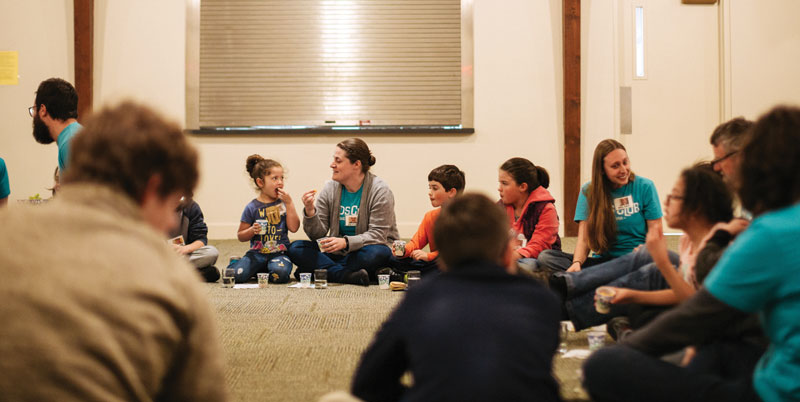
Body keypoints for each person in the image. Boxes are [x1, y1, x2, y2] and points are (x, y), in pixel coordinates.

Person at [0, 100, 226, 401]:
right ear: (151, 187)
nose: (173, 219)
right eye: (170, 201)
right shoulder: (169, 281)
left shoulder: (8, 232)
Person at [582, 105, 800, 402]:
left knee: (603, 365)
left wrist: (626, 351)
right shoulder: (752, 230)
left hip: (776, 389)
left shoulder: (767, 233)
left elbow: (697, 315)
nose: (718, 168)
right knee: (711, 347)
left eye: (720, 160)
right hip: (755, 351)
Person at [351, 193, 561, 402]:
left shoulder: (421, 298)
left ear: (441, 260)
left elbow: (368, 383)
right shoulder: (542, 298)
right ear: (508, 252)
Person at [554, 164, 732, 331]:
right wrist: (630, 294)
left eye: (675, 197)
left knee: (646, 270)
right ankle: (565, 288)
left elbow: (696, 304)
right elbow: (583, 239)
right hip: (610, 262)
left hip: (700, 328)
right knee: (550, 257)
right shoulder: (686, 240)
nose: (667, 202)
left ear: (697, 206)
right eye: (615, 165)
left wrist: (659, 262)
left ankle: (560, 298)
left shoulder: (715, 252)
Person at [538, 139, 664, 272]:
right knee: (546, 258)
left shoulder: (645, 186)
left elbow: (656, 232)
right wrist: (577, 263)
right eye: (615, 166)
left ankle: (589, 282)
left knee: (657, 268)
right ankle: (598, 280)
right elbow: (584, 239)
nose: (623, 170)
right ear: (602, 170)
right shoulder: (589, 191)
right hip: (603, 263)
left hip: (635, 260)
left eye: (625, 162)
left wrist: (647, 251)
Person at [288, 138, 399, 286]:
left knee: (378, 254)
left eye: (338, 161)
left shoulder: (380, 190)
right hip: (338, 252)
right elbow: (317, 235)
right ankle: (347, 275)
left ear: (356, 164)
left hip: (367, 249)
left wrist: (345, 242)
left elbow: (377, 236)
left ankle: (322, 270)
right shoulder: (330, 188)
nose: (332, 164)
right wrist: (310, 211)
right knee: (296, 248)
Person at [228, 155, 300, 284]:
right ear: (260, 182)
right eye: (274, 178)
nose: (280, 182)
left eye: (281, 178)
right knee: (237, 276)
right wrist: (252, 230)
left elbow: (294, 228)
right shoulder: (252, 207)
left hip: (279, 254)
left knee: (281, 275)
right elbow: (241, 236)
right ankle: (237, 263)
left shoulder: (283, 204)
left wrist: (289, 204)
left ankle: (264, 270)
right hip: (256, 253)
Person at [387, 164, 465, 277]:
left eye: (435, 188)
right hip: (435, 264)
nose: (430, 192)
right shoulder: (430, 216)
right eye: (430, 188)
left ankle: (406, 276)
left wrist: (429, 256)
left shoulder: (465, 216)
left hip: (455, 262)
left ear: (451, 192)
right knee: (393, 259)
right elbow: (415, 243)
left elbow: (457, 251)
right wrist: (404, 250)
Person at [497, 157, 561, 270]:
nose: (499, 188)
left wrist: (509, 257)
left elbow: (539, 246)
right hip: (509, 257)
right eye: (500, 183)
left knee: (527, 266)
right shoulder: (499, 207)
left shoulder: (546, 208)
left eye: (505, 183)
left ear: (523, 187)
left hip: (534, 258)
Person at [30, 78, 82, 172]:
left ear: (42, 110)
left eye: (34, 109)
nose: (33, 115)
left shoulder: (70, 143)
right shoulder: (75, 136)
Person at [169, 196, 221, 282]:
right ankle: (192, 274)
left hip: (181, 255)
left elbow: (201, 239)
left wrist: (184, 249)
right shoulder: (152, 205)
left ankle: (168, 272)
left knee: (212, 252)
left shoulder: (191, 207)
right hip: (156, 254)